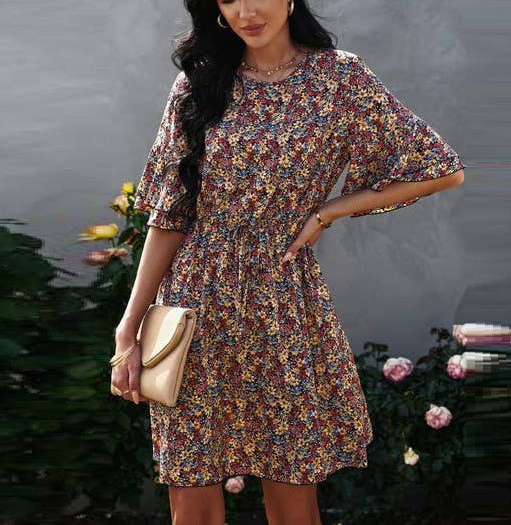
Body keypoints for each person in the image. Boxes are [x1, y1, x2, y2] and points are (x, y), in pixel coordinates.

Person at [110, 0, 466, 523]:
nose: (246, 11)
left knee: (292, 486)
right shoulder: (198, 84)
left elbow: (442, 168)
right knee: (191, 487)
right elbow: (170, 217)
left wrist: (329, 211)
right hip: (194, 303)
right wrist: (129, 327)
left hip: (284, 299)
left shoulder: (339, 79)